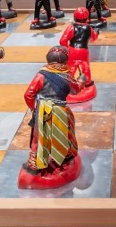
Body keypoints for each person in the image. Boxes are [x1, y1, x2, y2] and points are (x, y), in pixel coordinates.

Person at [20, 47, 80, 187]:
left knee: (38, 138)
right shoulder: (68, 75)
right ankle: (66, 159)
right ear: (66, 60)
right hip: (60, 111)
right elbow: (76, 90)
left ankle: (34, 165)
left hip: (42, 111)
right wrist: (82, 81)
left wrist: (34, 109)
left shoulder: (41, 75)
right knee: (67, 134)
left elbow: (28, 94)